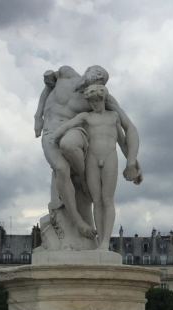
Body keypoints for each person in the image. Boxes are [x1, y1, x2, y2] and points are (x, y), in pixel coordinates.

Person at [34, 65, 142, 239]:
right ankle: (78, 222)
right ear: (88, 70)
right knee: (61, 169)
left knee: (68, 145)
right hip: (50, 131)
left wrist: (133, 161)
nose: (98, 78)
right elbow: (48, 87)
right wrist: (38, 116)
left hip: (73, 130)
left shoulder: (98, 96)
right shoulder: (66, 72)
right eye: (98, 73)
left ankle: (84, 177)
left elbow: (125, 130)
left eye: (102, 79)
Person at [50, 84, 125, 250]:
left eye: (97, 100)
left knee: (108, 200)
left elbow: (122, 140)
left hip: (110, 157)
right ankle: (100, 242)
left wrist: (132, 162)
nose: (94, 104)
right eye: (91, 101)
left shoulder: (114, 116)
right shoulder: (86, 116)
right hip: (92, 158)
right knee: (97, 201)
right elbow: (68, 125)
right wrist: (54, 136)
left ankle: (106, 241)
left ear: (103, 99)